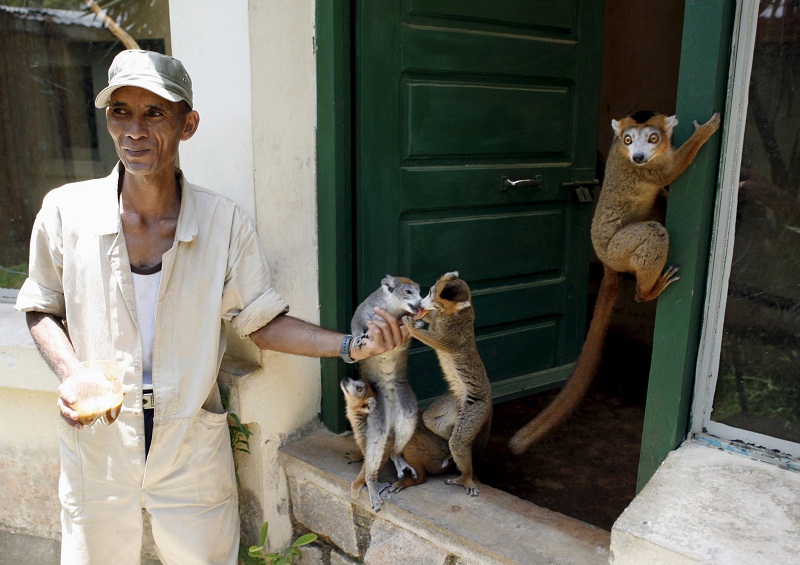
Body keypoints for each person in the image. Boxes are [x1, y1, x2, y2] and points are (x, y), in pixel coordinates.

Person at [15, 49, 408, 565]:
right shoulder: (66, 212)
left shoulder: (224, 223)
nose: (135, 129)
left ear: (188, 123)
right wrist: (72, 376)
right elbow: (41, 306)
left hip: (190, 446)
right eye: (120, 112)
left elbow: (263, 324)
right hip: (98, 444)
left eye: (155, 112)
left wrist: (351, 346)